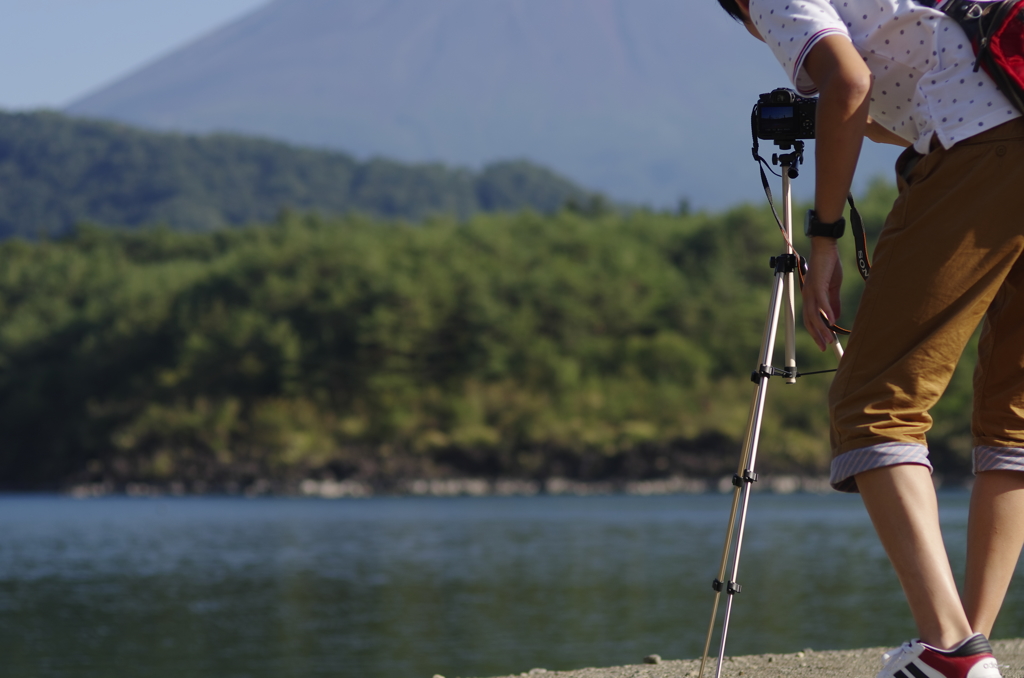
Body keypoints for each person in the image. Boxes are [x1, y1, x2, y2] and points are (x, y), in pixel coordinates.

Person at [715, 1, 1024, 677]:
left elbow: (849, 82)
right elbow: (896, 94)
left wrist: (822, 238)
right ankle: (967, 650)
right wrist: (835, 115)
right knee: (1014, 414)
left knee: (874, 401)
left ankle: (949, 651)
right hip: (1003, 112)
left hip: (983, 146)